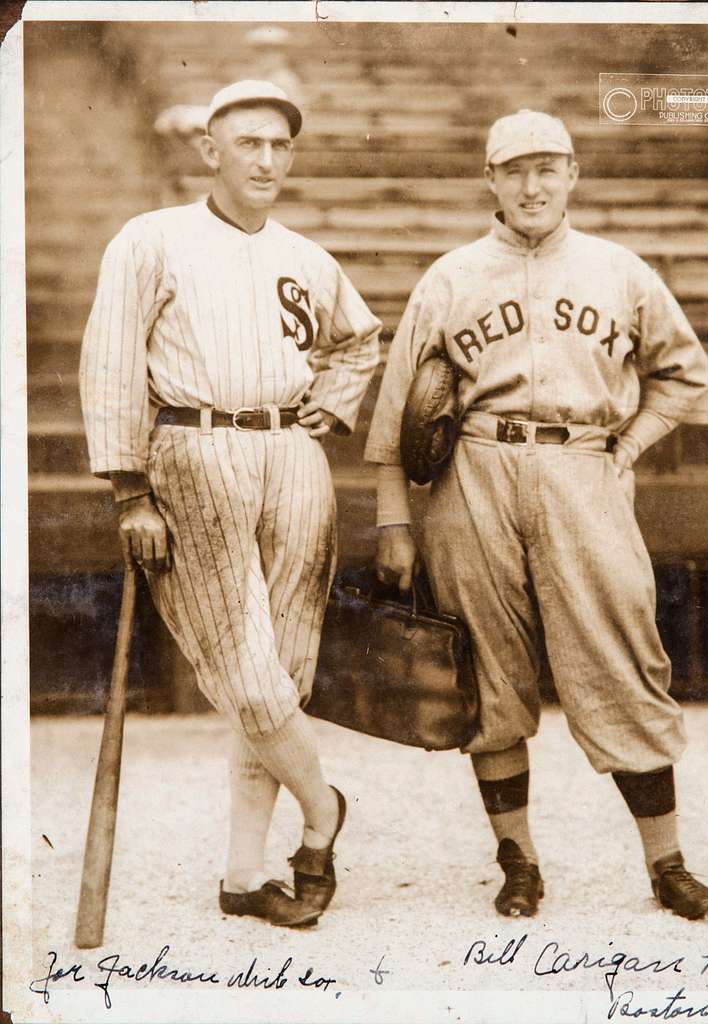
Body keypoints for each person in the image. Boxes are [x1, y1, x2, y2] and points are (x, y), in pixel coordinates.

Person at [365, 109, 708, 920]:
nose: (531, 185)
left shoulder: (617, 269)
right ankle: (517, 861)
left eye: (547, 168)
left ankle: (666, 865)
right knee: (485, 675)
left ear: (572, 175)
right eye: (514, 169)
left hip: (580, 469)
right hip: (472, 473)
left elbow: (683, 375)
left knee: (622, 659)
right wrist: (394, 522)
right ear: (489, 180)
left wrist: (626, 447)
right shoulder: (450, 276)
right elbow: (392, 418)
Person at [79, 80, 381, 928]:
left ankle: (245, 879)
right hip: (192, 447)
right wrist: (129, 491)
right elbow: (109, 363)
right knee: (246, 675)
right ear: (209, 150)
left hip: (292, 453)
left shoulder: (305, 255)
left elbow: (359, 339)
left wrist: (334, 399)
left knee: (284, 671)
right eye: (248, 142)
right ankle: (324, 814)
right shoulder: (152, 239)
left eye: (280, 145)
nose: (266, 159)